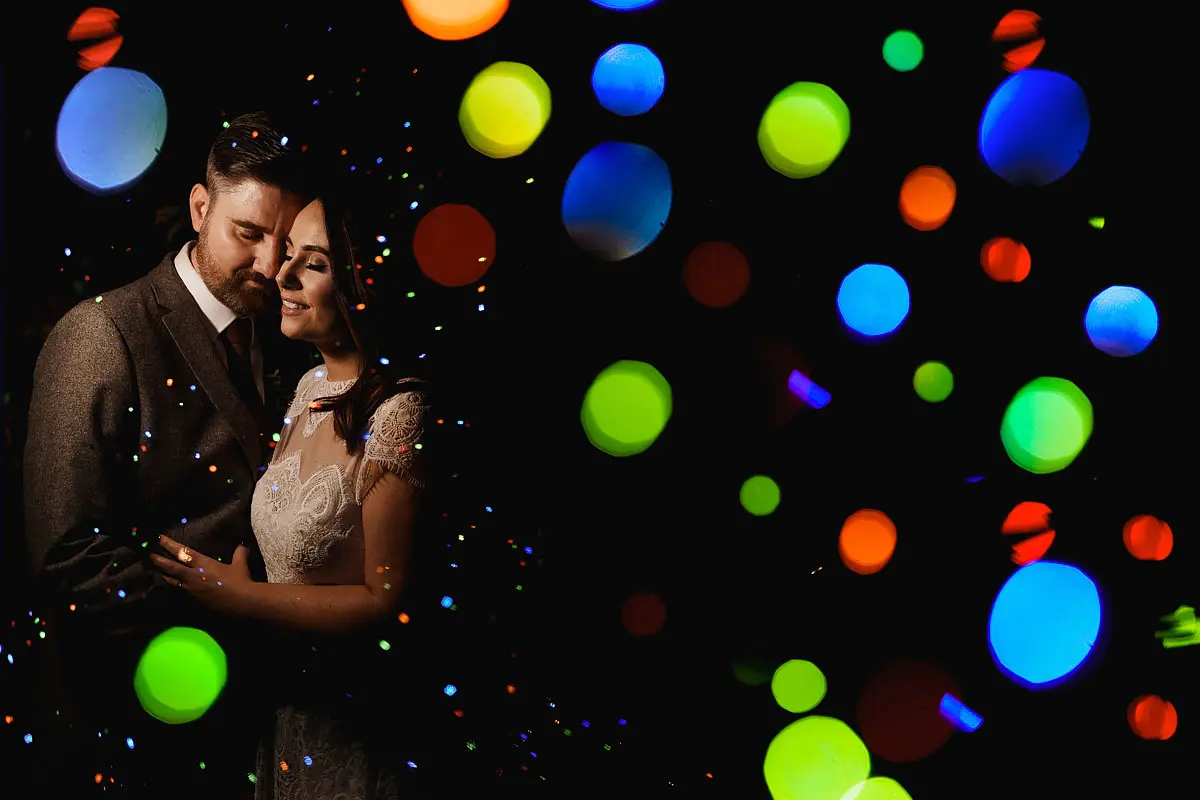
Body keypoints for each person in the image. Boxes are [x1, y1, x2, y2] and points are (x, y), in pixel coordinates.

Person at [24, 111, 312, 798]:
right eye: (248, 234)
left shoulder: (285, 334)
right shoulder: (101, 333)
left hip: (265, 733)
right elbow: (66, 557)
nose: (271, 266)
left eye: (288, 241)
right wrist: (234, 620)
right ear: (199, 207)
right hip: (144, 734)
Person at [150, 186, 433, 799]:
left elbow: (385, 600)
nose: (282, 275)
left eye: (316, 262)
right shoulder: (306, 387)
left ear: (363, 281)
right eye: (289, 256)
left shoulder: (400, 412)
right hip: (284, 708)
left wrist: (241, 597)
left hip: (358, 719)